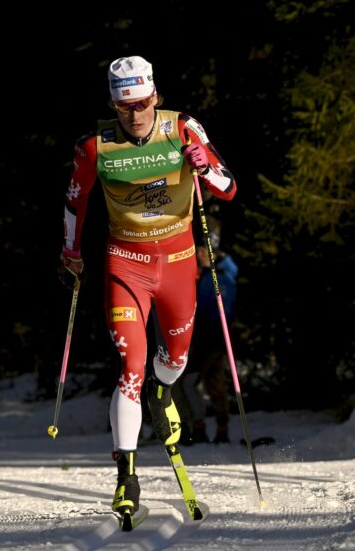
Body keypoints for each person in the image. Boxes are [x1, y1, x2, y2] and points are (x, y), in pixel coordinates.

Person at [58, 56, 236, 518]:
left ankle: (164, 390)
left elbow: (229, 187)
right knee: (130, 366)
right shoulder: (95, 146)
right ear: (113, 105)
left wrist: (206, 167)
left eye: (141, 104)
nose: (135, 116)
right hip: (126, 265)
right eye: (124, 107)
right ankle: (126, 477)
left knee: (174, 363)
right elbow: (75, 202)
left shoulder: (183, 129)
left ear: (155, 96)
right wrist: (71, 253)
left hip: (177, 265)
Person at [176, 216, 237, 444]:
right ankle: (217, 429)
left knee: (190, 382)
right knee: (212, 381)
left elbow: (221, 308)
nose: (196, 254)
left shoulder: (221, 274)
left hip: (212, 338)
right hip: (206, 338)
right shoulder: (204, 273)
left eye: (200, 250)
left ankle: (200, 427)